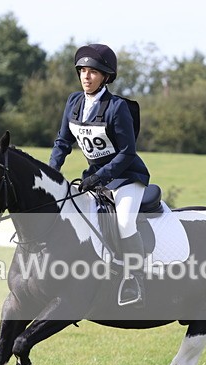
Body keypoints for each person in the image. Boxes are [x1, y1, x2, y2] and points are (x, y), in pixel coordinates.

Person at [49, 43, 150, 307]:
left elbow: (127, 153)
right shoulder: (73, 102)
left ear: (105, 76)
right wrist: (50, 172)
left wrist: (99, 177)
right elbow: (62, 142)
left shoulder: (118, 108)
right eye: (82, 70)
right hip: (94, 176)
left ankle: (136, 279)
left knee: (125, 223)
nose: (86, 76)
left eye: (92, 71)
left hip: (127, 177)